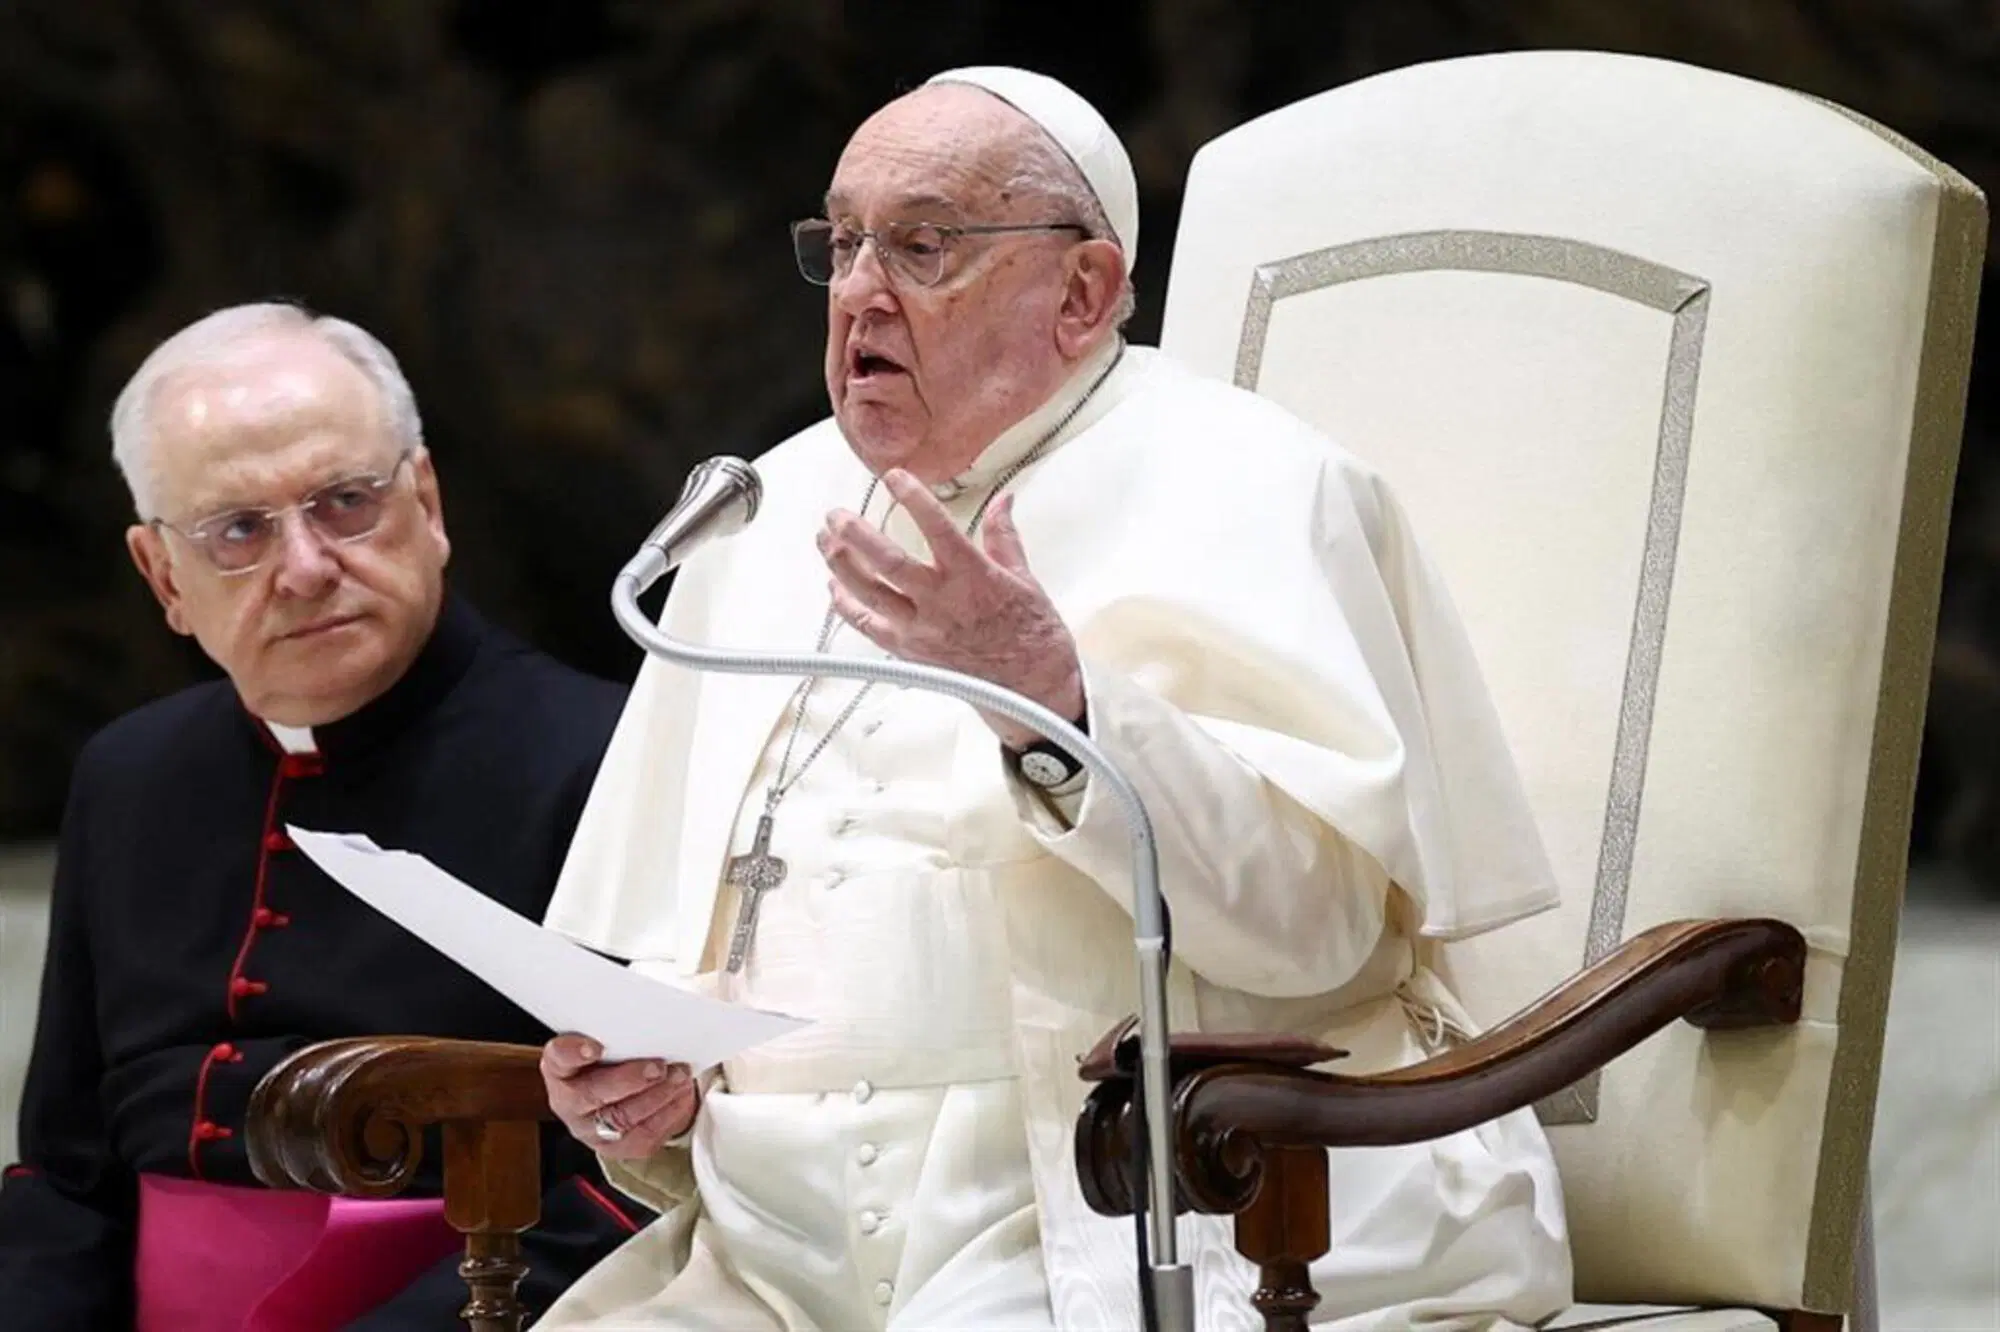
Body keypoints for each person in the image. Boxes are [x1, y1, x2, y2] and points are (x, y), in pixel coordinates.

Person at [536, 67, 1574, 1331]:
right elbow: (690, 944)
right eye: (843, 242)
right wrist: (651, 1090)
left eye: (921, 245)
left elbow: (1319, 933)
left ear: (1082, 293)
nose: (861, 289)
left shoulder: (1253, 483)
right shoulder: (762, 513)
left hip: (1115, 1210)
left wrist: (1053, 700)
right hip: (766, 1258)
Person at [0, 302, 649, 1330]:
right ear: (163, 574)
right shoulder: (127, 775)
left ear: (426, 503)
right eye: (239, 531)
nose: (304, 567)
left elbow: (634, 1189)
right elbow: (67, 1170)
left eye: (345, 502)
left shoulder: (612, 759)